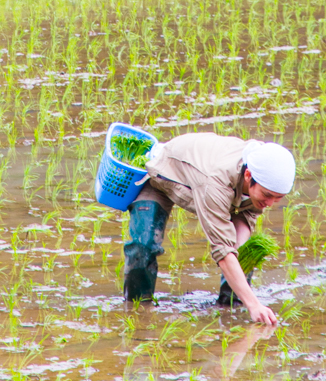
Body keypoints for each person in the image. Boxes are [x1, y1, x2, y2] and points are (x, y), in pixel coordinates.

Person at [122, 133, 295, 326]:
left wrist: (238, 250)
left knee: (242, 252)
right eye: (267, 195)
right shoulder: (215, 183)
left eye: (277, 198)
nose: (270, 204)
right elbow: (222, 251)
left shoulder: (263, 166)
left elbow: (247, 215)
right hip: (164, 175)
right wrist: (254, 305)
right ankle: (137, 313)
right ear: (248, 176)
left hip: (211, 182)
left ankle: (230, 311)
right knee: (143, 245)